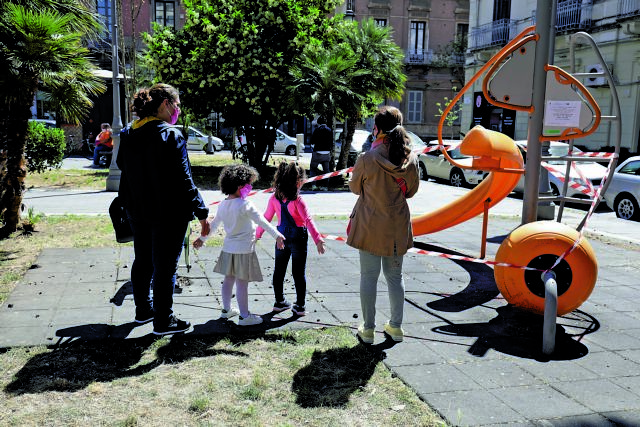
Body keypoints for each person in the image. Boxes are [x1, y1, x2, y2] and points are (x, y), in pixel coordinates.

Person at [117, 83, 210, 336]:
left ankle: (144, 310)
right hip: (168, 213)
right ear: (165, 104)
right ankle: (163, 320)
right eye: (176, 105)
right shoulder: (171, 135)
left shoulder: (128, 133)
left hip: (137, 210)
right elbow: (184, 178)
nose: (177, 110)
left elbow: (121, 165)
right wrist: (202, 212)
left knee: (144, 260)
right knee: (165, 266)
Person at [346, 106, 420, 344]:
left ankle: (368, 330)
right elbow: (411, 192)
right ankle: (396, 327)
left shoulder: (367, 159)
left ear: (376, 128)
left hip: (369, 226)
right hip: (396, 227)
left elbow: (355, 188)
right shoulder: (411, 159)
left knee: (368, 276)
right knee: (395, 277)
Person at [193, 164, 285, 326]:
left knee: (228, 280)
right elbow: (262, 222)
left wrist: (202, 239)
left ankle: (227, 309)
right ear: (240, 186)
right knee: (242, 283)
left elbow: (213, 226)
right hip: (244, 250)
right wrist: (277, 235)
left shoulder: (223, 205)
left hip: (228, 248)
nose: (250, 188)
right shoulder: (245, 205)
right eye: (248, 184)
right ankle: (244, 316)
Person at [256, 161, 326, 317]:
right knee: (298, 273)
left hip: (281, 237)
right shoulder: (298, 200)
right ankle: (300, 306)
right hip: (298, 237)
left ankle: (279, 302)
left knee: (279, 270)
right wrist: (318, 239)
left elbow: (265, 218)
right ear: (298, 182)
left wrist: (257, 234)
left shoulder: (274, 199)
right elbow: (307, 220)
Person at [309, 117, 333, 188]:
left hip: (317, 153)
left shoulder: (317, 130)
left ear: (318, 123)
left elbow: (312, 141)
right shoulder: (329, 130)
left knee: (313, 169)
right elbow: (331, 142)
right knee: (326, 170)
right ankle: (325, 187)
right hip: (326, 154)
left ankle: (314, 186)